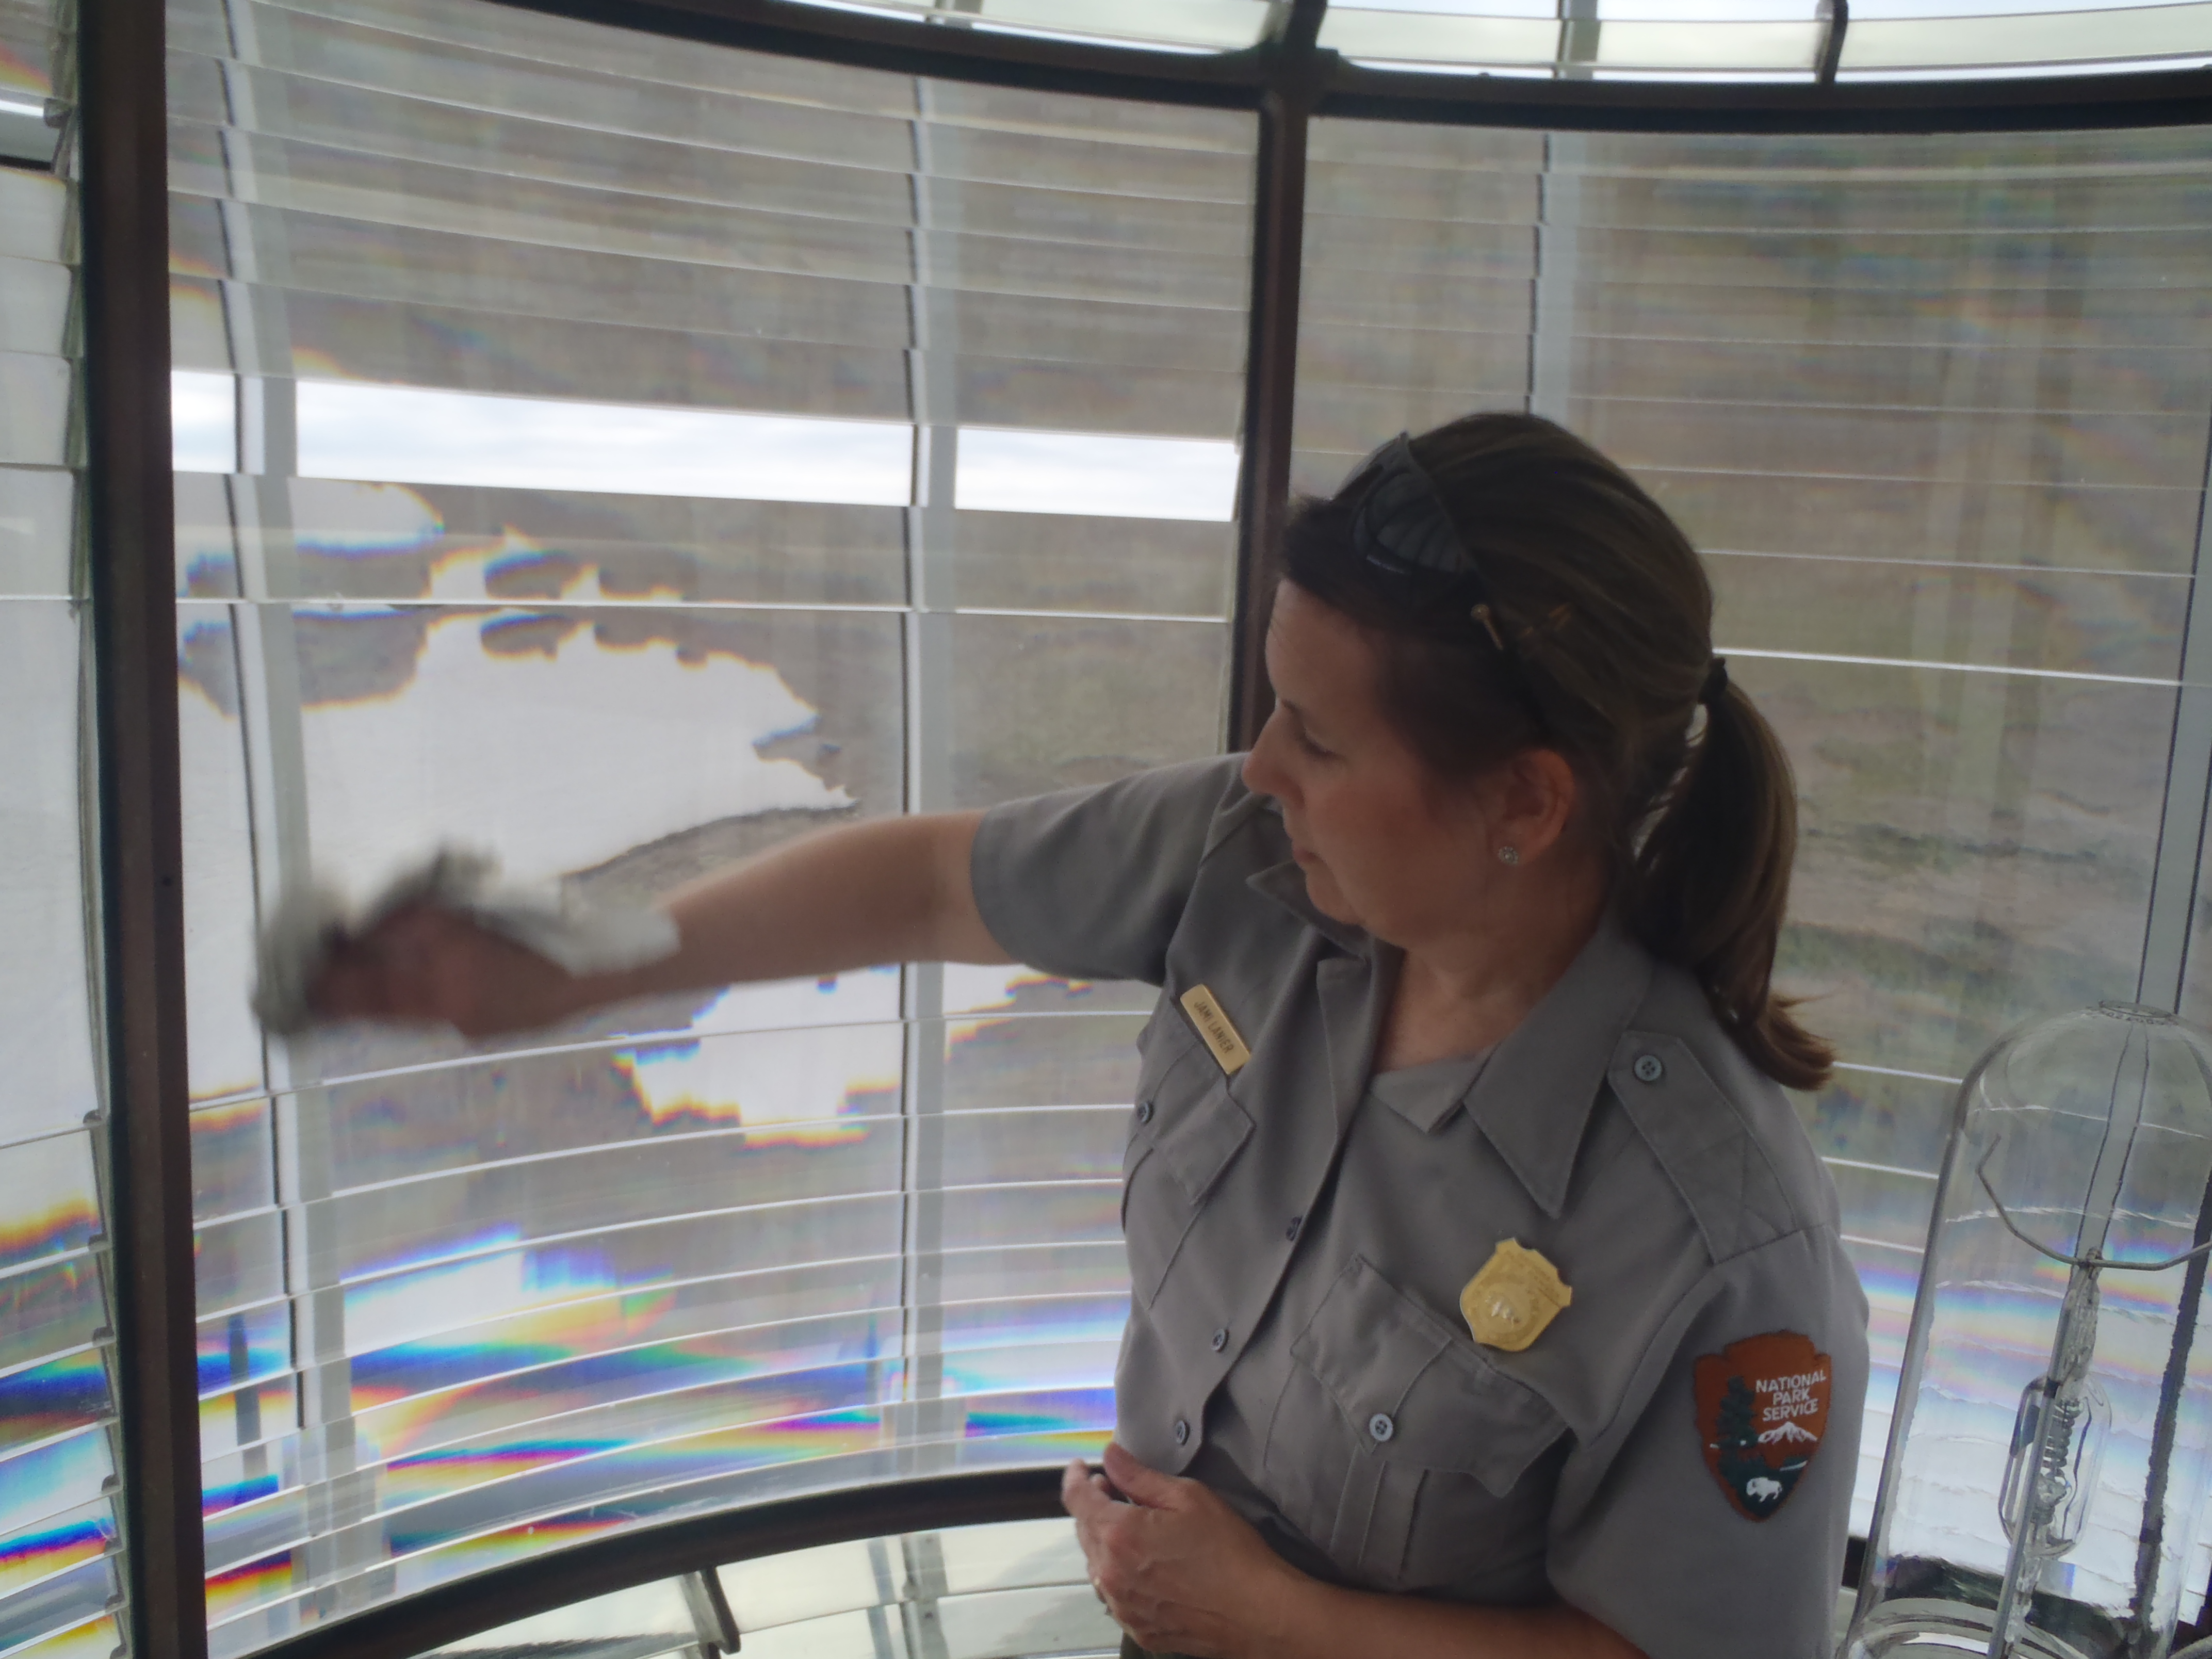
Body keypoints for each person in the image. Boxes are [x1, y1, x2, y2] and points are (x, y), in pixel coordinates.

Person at [308, 413, 1869, 1659]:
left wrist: (1283, 1628)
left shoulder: (1721, 1246)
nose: (1260, 768)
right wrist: (590, 972)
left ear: (1527, 800)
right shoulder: (1254, 868)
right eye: (1274, 709)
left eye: (1320, 739)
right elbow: (929, 880)